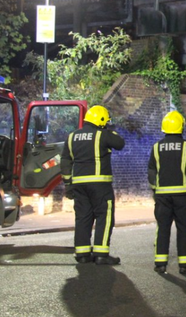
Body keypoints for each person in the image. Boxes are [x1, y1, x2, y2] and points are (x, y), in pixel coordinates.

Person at [61, 105, 125, 265]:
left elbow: (65, 160)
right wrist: (110, 129)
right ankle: (101, 254)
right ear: (102, 120)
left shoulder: (72, 136)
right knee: (105, 215)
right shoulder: (102, 135)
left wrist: (68, 183)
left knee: (83, 217)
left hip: (79, 185)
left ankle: (82, 254)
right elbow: (120, 143)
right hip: (99, 184)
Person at [148, 111, 186, 275]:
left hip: (162, 196)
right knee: (184, 228)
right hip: (183, 196)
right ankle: (185, 265)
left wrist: (154, 190)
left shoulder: (156, 147)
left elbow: (151, 171)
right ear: (181, 127)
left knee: (162, 228)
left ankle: (160, 263)